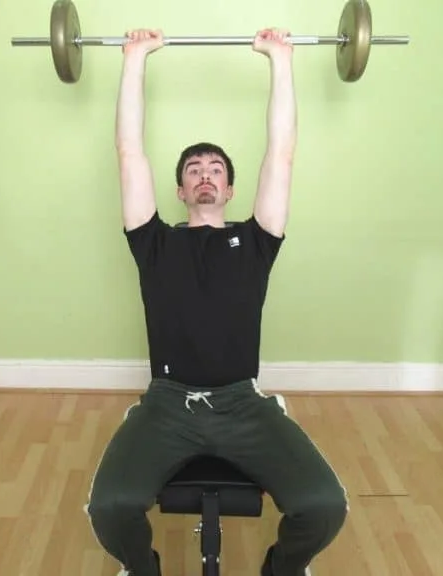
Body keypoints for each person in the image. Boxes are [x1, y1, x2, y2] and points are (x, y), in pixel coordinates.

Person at [84, 29, 348, 576]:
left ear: (230, 189)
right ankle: (141, 568)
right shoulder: (152, 241)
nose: (205, 176)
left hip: (241, 403)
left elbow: (283, 152)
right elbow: (129, 151)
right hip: (166, 404)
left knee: (325, 507)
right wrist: (135, 59)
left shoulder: (257, 239)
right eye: (193, 170)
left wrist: (281, 59)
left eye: (216, 170)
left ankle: (285, 569)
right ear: (179, 190)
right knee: (110, 508)